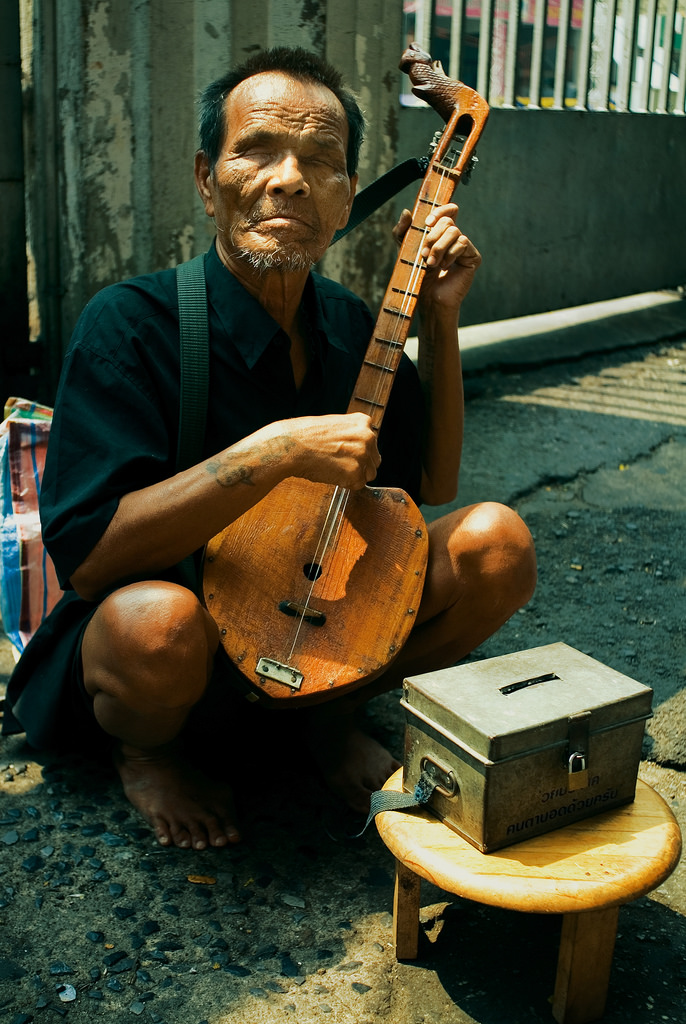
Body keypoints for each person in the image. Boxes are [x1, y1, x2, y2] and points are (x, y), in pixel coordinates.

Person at [4, 47, 536, 851]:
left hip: (314, 618)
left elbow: (432, 482)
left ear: (346, 195)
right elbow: (88, 560)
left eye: (321, 161)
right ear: (206, 178)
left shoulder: (353, 324)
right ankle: (148, 753)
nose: (289, 178)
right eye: (256, 150)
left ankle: (322, 717)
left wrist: (442, 316)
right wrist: (271, 453)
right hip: (181, 659)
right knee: (158, 625)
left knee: (498, 546)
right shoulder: (131, 324)